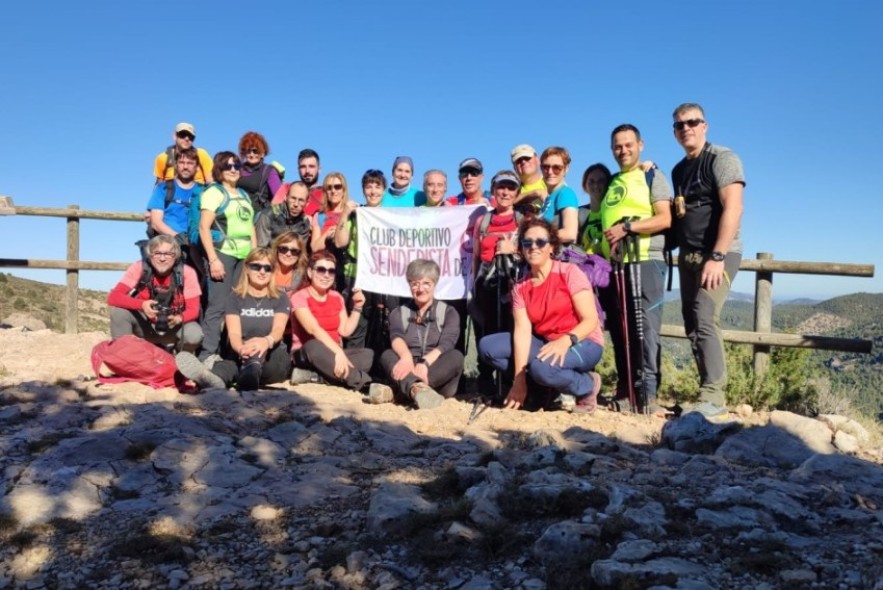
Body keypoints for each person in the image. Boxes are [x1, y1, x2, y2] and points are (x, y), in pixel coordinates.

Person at [479, 218, 604, 412]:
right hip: (547, 341)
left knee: (543, 369)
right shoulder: (521, 287)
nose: (533, 247)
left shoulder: (569, 272)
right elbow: (522, 332)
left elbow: (591, 320)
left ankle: (587, 386)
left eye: (540, 242)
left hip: (583, 340)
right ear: (521, 248)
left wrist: (565, 341)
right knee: (489, 347)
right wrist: (519, 380)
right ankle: (541, 389)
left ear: (552, 247)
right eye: (527, 243)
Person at [670, 102, 745, 416]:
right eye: (679, 125)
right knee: (691, 323)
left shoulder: (722, 158)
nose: (686, 128)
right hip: (688, 255)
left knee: (703, 314)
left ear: (705, 125)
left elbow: (734, 207)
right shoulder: (678, 170)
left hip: (718, 254)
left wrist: (717, 255)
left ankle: (714, 397)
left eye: (692, 122)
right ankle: (706, 394)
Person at [600, 124, 672, 414]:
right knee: (622, 329)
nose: (623, 150)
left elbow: (665, 218)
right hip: (617, 264)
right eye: (618, 145)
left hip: (646, 259)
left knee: (646, 328)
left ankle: (648, 395)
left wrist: (628, 227)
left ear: (640, 144)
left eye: (628, 144)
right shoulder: (613, 181)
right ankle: (628, 390)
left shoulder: (653, 176)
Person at [177, 248, 290, 391]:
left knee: (251, 360)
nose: (262, 271)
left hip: (272, 355)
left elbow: (278, 330)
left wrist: (265, 341)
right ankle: (213, 378)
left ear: (272, 272)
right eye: (256, 266)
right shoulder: (234, 298)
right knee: (228, 366)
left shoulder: (280, 297)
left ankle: (246, 372)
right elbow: (234, 334)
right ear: (247, 268)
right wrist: (242, 348)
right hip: (241, 354)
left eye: (268, 268)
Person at [374, 260, 464, 409]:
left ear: (434, 284)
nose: (420, 289)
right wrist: (406, 357)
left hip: (434, 372)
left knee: (457, 356)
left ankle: (400, 391)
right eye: (415, 284)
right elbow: (396, 336)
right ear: (409, 286)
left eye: (426, 283)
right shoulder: (398, 312)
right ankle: (416, 390)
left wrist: (424, 363)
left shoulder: (449, 312)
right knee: (387, 354)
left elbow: (447, 343)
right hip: (407, 366)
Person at [198, 151, 256, 363]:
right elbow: (204, 228)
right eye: (227, 166)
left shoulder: (244, 194)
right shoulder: (215, 193)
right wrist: (213, 260)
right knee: (218, 306)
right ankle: (207, 356)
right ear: (219, 170)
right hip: (223, 253)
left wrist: (254, 257)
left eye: (236, 166)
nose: (233, 169)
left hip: (244, 255)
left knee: (238, 306)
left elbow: (251, 228)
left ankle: (230, 354)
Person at [288, 252, 374, 392]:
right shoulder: (299, 297)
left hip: (333, 355)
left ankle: (316, 377)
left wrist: (357, 307)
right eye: (321, 270)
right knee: (314, 346)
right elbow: (313, 330)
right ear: (310, 272)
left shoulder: (337, 297)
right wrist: (338, 352)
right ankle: (364, 383)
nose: (326, 275)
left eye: (331, 271)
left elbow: (345, 331)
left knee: (367, 356)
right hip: (307, 354)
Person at [471, 171, 522, 394]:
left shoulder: (522, 220)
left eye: (511, 188)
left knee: (510, 328)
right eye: (501, 187)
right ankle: (486, 380)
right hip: (486, 282)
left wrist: (514, 250)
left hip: (513, 281)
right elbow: (475, 255)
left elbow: (533, 251)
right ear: (493, 190)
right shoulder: (483, 221)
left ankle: (510, 379)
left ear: (517, 192)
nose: (505, 192)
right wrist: (473, 285)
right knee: (484, 328)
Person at [107, 235, 202, 352]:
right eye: (157, 253)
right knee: (119, 313)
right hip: (144, 324)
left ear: (176, 256)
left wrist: (178, 318)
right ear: (149, 255)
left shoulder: (187, 273)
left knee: (194, 335)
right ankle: (125, 357)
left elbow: (194, 309)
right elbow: (113, 297)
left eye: (168, 254)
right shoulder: (140, 268)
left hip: (172, 325)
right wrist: (142, 305)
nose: (162, 258)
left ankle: (180, 358)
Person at [334, 169, 386, 349]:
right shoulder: (356, 214)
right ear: (363, 190)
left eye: (377, 186)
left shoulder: (391, 216)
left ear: (384, 190)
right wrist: (345, 214)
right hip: (355, 275)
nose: (373, 191)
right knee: (358, 320)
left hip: (381, 277)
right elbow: (340, 242)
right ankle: (354, 365)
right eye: (369, 186)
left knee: (380, 323)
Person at [146, 147, 202, 242]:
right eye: (181, 162)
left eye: (190, 163)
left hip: (196, 242)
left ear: (196, 167)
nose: (185, 167)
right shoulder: (163, 188)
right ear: (176, 165)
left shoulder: (203, 191)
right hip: (168, 242)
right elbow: (156, 222)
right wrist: (179, 238)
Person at [538, 147, 579, 243]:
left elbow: (570, 233)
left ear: (566, 169)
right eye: (545, 167)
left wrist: (534, 237)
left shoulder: (565, 194)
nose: (550, 172)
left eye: (556, 168)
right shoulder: (549, 198)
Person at [237, 131, 283, 214]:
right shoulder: (236, 170)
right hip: (237, 214)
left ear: (262, 153)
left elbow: (279, 199)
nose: (251, 154)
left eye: (255, 151)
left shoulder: (269, 171)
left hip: (259, 217)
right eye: (248, 151)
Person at [255, 181, 312, 248]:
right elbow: (261, 249)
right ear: (286, 197)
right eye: (293, 198)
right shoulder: (268, 215)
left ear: (307, 203)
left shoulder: (304, 223)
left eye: (301, 200)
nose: (296, 204)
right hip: (268, 256)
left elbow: (300, 251)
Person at [310, 172, 352, 255]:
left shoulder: (352, 213)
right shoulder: (319, 216)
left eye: (337, 187)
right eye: (329, 188)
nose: (333, 191)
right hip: (325, 263)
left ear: (344, 190)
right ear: (325, 192)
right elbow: (314, 247)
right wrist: (327, 234)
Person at [510, 144, 547, 210]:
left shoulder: (551, 182)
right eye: (518, 160)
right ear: (514, 167)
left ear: (538, 160)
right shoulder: (512, 190)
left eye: (527, 158)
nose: (523, 162)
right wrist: (536, 193)